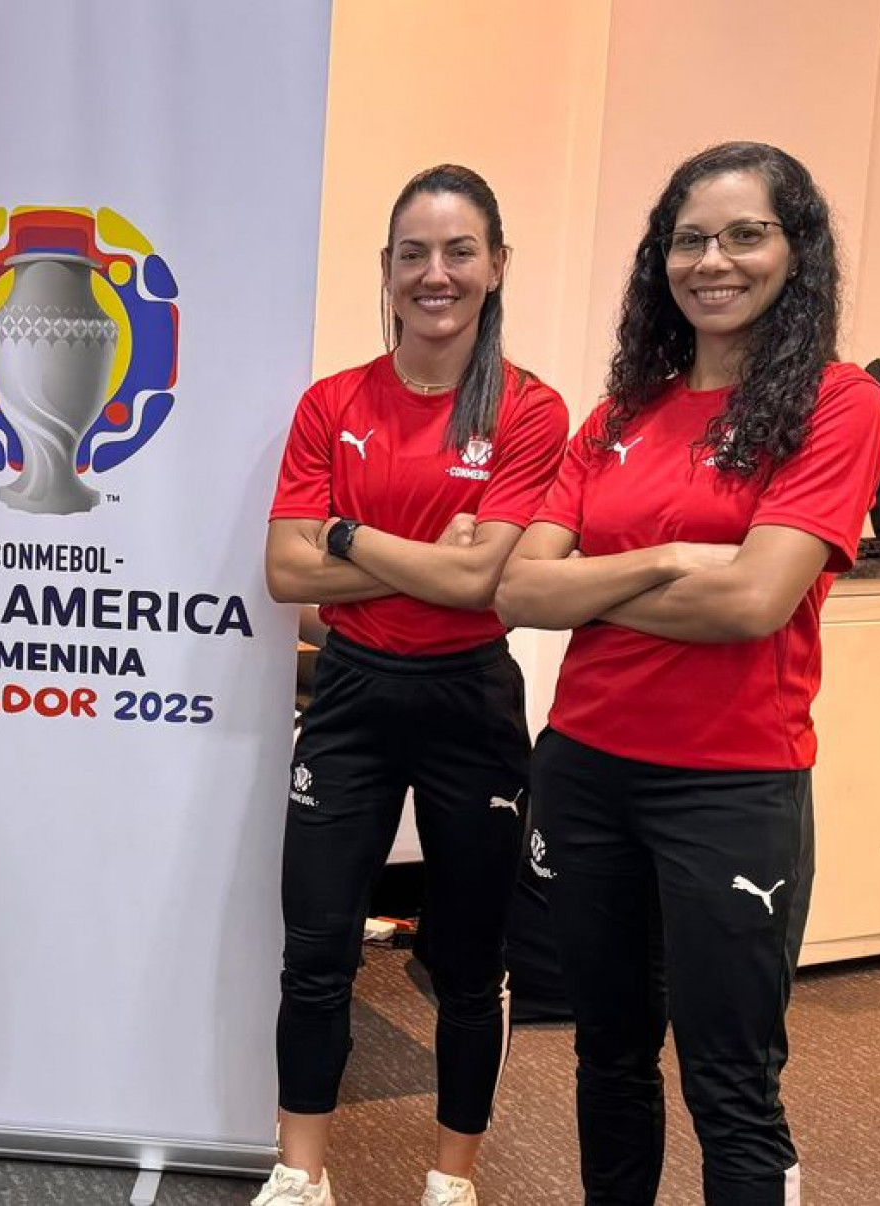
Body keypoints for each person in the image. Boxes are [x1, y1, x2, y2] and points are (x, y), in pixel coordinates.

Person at [495, 141, 880, 1205]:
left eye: (745, 234)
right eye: (690, 239)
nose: (713, 261)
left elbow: (753, 603)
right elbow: (518, 593)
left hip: (730, 785)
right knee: (608, 1055)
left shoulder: (837, 403)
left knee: (732, 1082)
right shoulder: (620, 415)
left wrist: (589, 585)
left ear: (796, 250)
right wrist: (669, 557)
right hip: (586, 772)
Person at [258, 164, 568, 1206]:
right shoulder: (332, 403)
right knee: (315, 950)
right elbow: (286, 572)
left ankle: (451, 1179)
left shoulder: (531, 409)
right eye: (414, 254)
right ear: (387, 270)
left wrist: (346, 534)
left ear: (496, 266)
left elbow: (484, 584)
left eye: (459, 252)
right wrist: (430, 555)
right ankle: (301, 1173)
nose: (436, 274)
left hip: (468, 702)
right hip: (350, 695)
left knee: (469, 960)